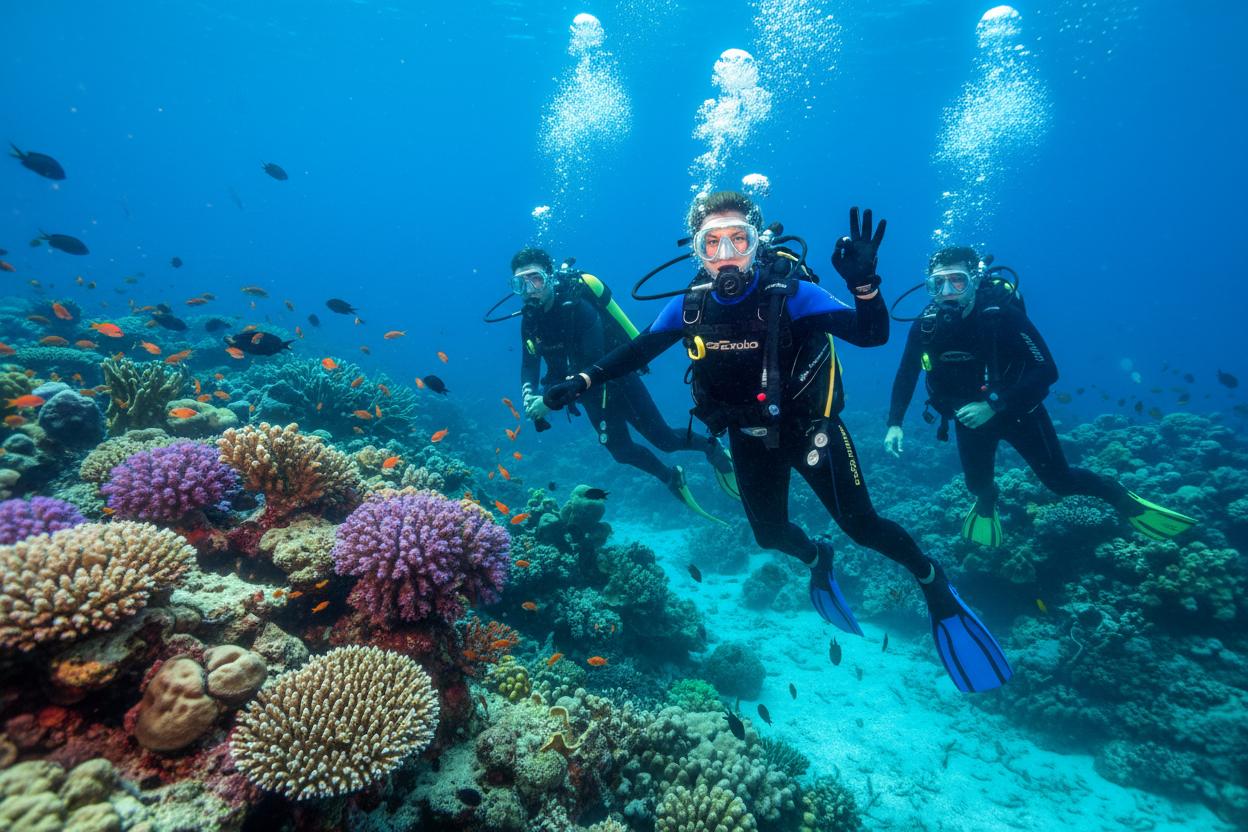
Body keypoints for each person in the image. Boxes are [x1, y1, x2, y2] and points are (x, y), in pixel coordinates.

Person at [543, 192, 1012, 693]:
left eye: (739, 239)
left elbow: (871, 335)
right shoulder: (691, 306)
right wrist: (586, 380)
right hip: (748, 436)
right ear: (697, 252)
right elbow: (637, 351)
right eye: (713, 243)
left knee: (864, 526)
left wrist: (864, 285)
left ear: (758, 242)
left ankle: (930, 579)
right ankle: (817, 557)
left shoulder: (789, 292)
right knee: (769, 535)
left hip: (813, 431)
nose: (727, 255)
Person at [884, 246, 1197, 546]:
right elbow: (907, 372)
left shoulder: (1001, 315)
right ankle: (988, 499)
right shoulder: (926, 326)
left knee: (1061, 483)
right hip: (970, 419)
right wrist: (895, 422)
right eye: (937, 283)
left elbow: (1047, 369)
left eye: (957, 280)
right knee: (976, 486)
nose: (947, 291)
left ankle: (1117, 495)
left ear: (974, 280)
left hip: (1021, 413)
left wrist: (993, 404)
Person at [509, 247, 735, 520]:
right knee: (621, 451)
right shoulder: (531, 320)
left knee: (665, 439)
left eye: (535, 278)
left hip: (617, 381)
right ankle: (670, 477)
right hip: (585, 395)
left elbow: (593, 360)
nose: (529, 288)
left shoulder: (578, 307)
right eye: (520, 283)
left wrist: (548, 400)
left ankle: (712, 447)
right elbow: (529, 362)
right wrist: (529, 394)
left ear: (550, 276)